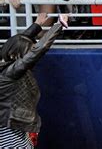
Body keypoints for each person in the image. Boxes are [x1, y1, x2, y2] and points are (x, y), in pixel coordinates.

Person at [0, 13, 68, 148]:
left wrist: (37, 25)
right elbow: (34, 53)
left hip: (14, 127)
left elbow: (17, 43)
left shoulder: (7, 63)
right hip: (9, 130)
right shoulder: (9, 73)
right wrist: (58, 25)